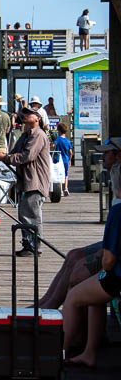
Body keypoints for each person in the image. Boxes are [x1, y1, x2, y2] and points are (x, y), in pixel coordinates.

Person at [39, 138, 121, 309]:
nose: (102, 156)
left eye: (107, 152)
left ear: (118, 155)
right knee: (73, 255)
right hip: (110, 244)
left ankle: (54, 312)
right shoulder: (113, 174)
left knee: (78, 275)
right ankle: (44, 304)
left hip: (113, 250)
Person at [63, 159, 121, 367]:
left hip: (118, 277)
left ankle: (60, 350)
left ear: (116, 188)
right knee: (94, 298)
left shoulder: (117, 212)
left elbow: (108, 261)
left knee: (73, 296)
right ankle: (89, 353)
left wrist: (103, 269)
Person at [0, 107, 50, 256]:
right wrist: (3, 156)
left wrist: (6, 158)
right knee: (24, 214)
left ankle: (34, 247)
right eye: (24, 114)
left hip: (35, 182)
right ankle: (28, 244)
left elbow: (27, 156)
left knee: (32, 216)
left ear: (37, 118)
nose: (25, 116)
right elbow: (15, 152)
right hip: (26, 182)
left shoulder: (38, 134)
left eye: (29, 114)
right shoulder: (26, 134)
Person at [53, 123, 73, 195]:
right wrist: (70, 160)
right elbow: (70, 152)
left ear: (59, 131)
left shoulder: (58, 140)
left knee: (59, 174)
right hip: (66, 159)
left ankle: (60, 190)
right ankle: (66, 188)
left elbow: (53, 145)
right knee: (66, 175)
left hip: (59, 160)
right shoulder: (67, 141)